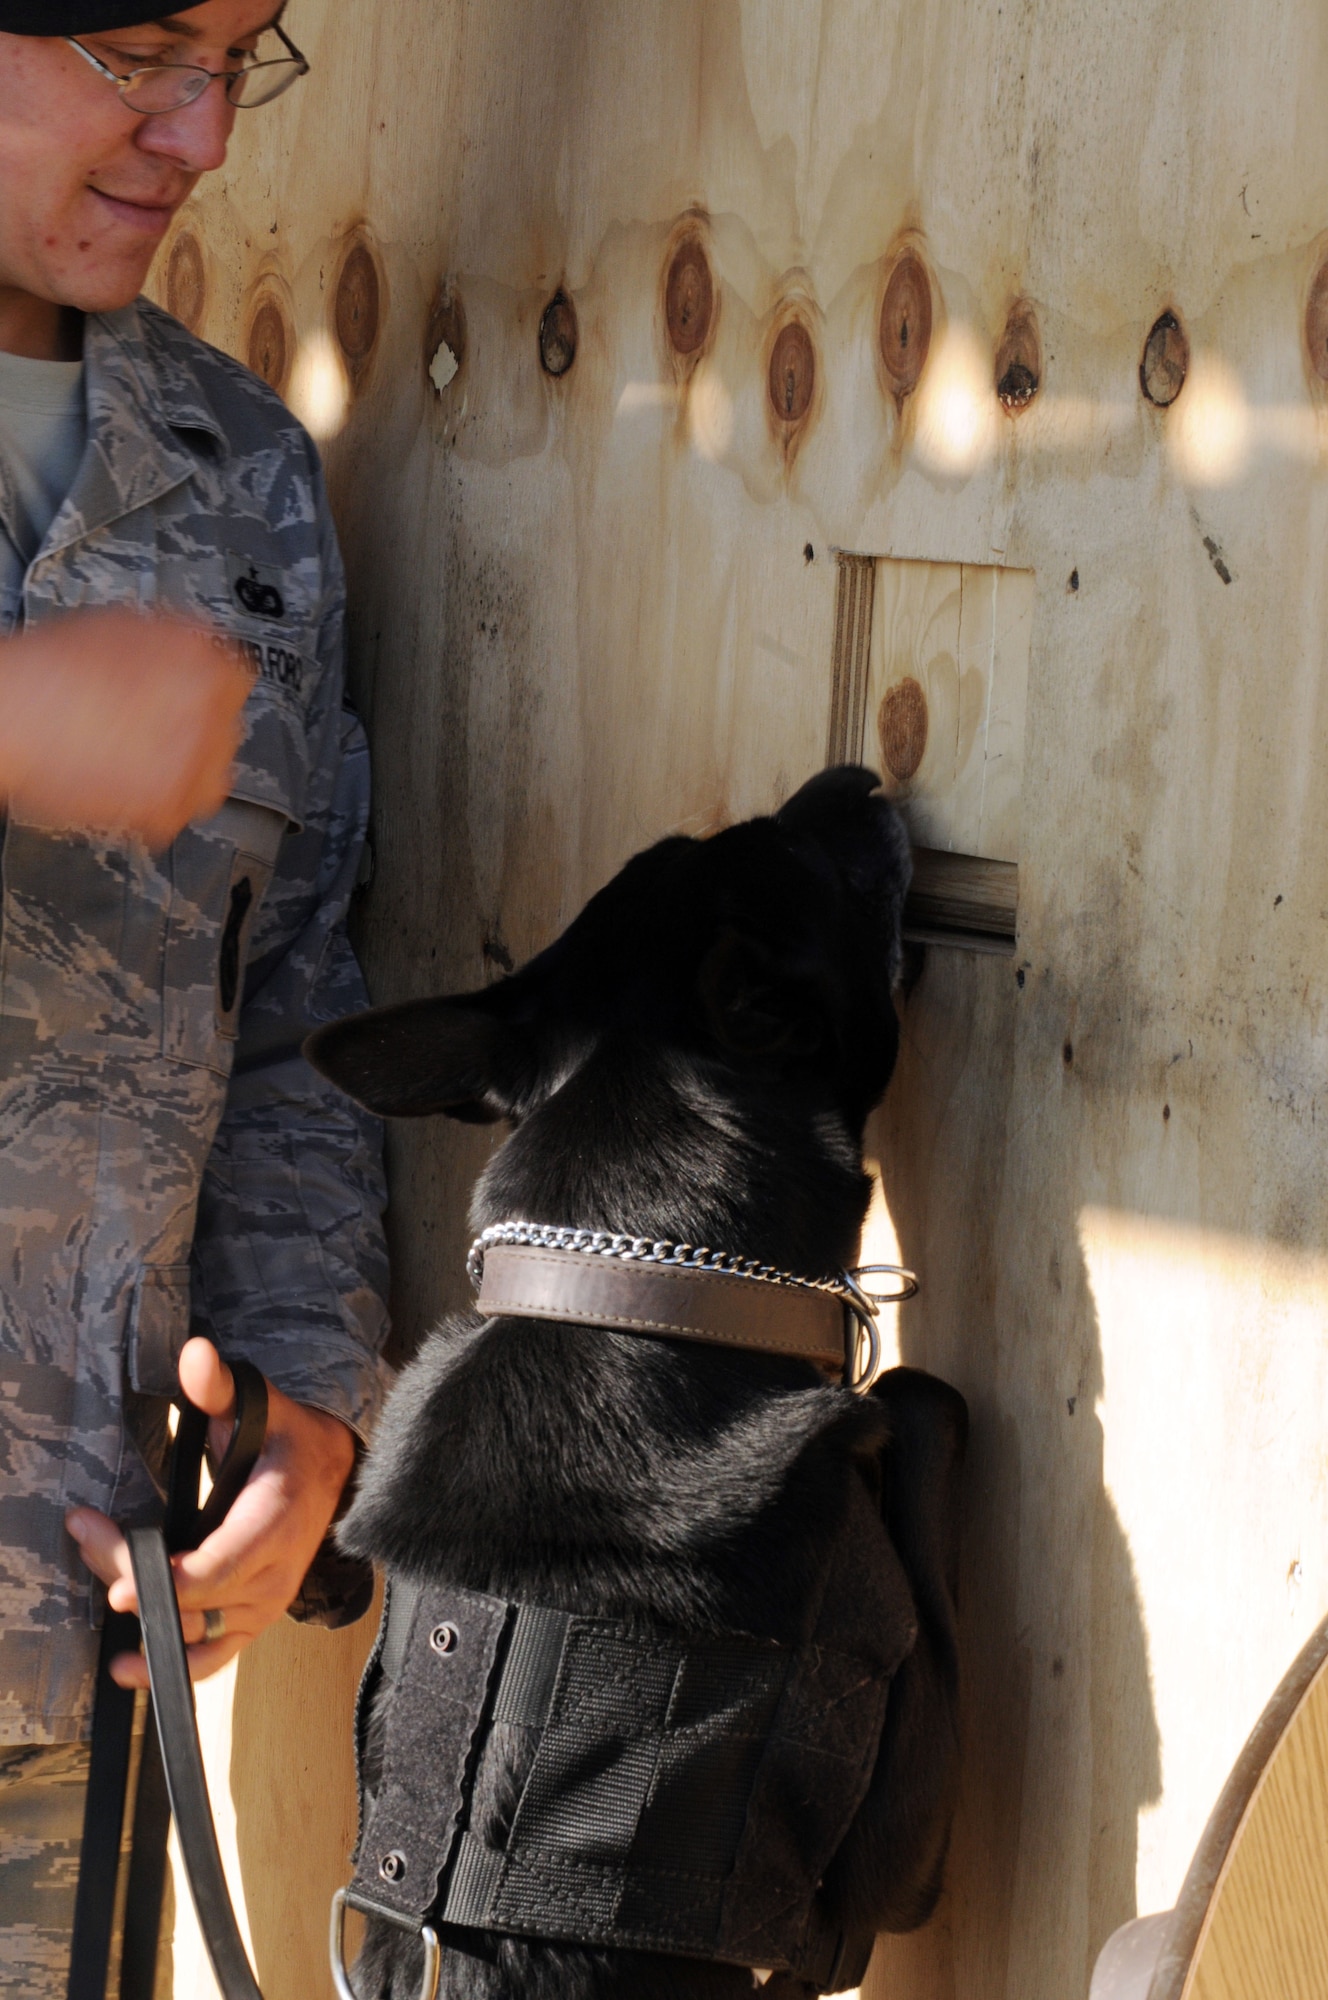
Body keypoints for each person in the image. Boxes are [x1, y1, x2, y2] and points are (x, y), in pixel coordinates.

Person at [0, 7, 392, 1993]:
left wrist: (311, 1419)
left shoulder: (244, 480)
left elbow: (297, 1010)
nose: (205, 128)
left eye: (245, 52)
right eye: (141, 42)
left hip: (55, 1687)